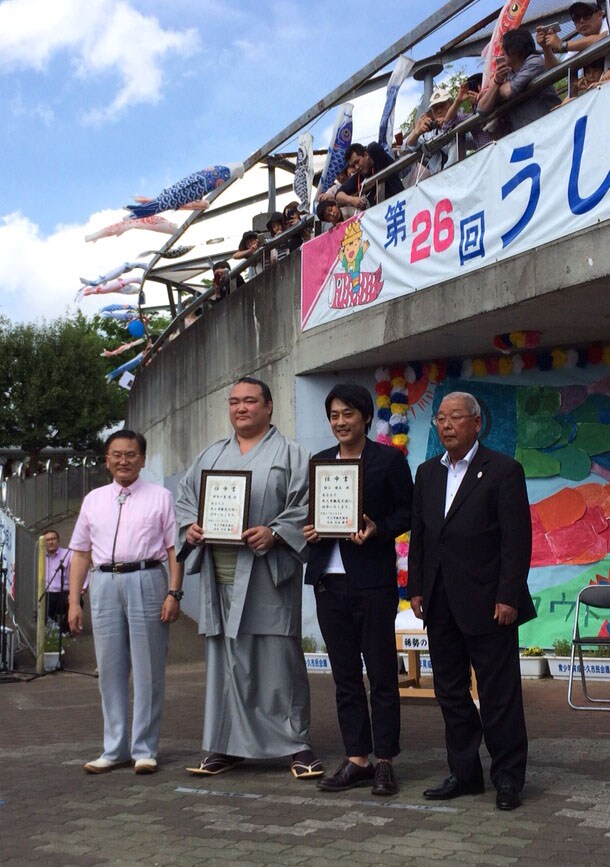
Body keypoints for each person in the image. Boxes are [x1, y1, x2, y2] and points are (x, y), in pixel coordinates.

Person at [175, 376, 323, 781]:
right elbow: (185, 501)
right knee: (226, 662)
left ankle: (295, 744)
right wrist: (191, 528)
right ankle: (225, 744)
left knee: (278, 660)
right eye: (234, 402)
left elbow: (306, 506)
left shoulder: (292, 454)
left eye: (250, 401)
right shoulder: (210, 454)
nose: (241, 408)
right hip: (220, 575)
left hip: (266, 573)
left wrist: (275, 533)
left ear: (269, 406)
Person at [407, 392, 535, 811]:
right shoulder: (427, 472)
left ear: (477, 423)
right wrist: (416, 588)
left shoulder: (503, 470)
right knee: (450, 691)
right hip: (440, 600)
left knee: (499, 694)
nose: (446, 425)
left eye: (455, 417)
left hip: (489, 602)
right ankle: (464, 774)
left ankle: (508, 778)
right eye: (440, 418)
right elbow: (421, 536)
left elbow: (516, 540)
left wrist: (508, 595)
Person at [304, 383, 413, 797]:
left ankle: (385, 760)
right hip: (328, 582)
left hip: (372, 582)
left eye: (347, 414)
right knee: (345, 676)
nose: (340, 422)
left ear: (366, 416)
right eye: (334, 415)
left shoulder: (388, 460)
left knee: (382, 674)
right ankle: (357, 759)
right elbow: (314, 513)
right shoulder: (320, 462)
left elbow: (407, 512)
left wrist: (377, 529)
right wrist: (311, 531)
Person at [68, 429, 182, 775]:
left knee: (148, 669)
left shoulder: (161, 497)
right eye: (116, 455)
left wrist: (174, 592)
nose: (123, 461)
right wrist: (74, 601)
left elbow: (174, 549)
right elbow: (81, 552)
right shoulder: (94, 499)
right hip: (103, 582)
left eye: (131, 454)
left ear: (142, 459)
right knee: (110, 669)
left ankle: (144, 748)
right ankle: (114, 748)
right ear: (107, 460)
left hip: (147, 578)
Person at [477, 27, 562, 132]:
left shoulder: (535, 62)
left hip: (551, 127)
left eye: (504, 47)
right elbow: (482, 109)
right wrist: (496, 82)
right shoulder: (507, 74)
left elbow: (509, 90)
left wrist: (493, 91)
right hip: (526, 134)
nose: (501, 52)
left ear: (516, 49)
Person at [537, 1, 608, 69]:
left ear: (600, 14)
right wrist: (546, 49)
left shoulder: (607, 22)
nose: (581, 20)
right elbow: (557, 71)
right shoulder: (578, 45)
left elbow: (603, 38)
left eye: (586, 15)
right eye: (576, 17)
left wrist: (562, 45)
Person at [336, 142, 404, 211]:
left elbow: (373, 146)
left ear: (366, 154)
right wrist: (351, 200)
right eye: (353, 166)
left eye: (357, 162)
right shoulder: (359, 177)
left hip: (401, 204)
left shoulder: (380, 159)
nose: (356, 167)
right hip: (383, 213)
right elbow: (338, 194)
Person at [44, 530, 73, 633]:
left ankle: (66, 630)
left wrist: (83, 588)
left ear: (58, 540)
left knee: (77, 600)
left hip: (65, 592)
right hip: (48, 592)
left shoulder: (68, 554)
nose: (50, 542)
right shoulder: (40, 556)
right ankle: (51, 625)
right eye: (47, 540)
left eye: (53, 539)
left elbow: (81, 569)